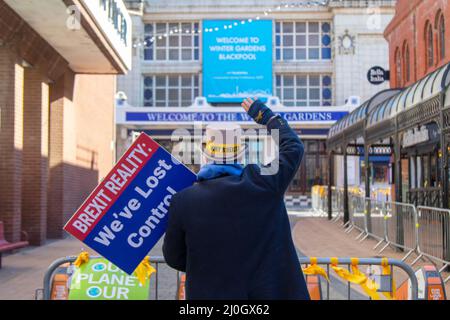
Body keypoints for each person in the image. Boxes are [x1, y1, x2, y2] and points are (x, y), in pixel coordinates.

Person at [162, 97, 310, 300]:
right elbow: (294, 147)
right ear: (241, 156)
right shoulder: (266, 183)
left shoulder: (184, 200)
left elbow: (174, 257)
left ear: (205, 157)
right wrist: (265, 116)